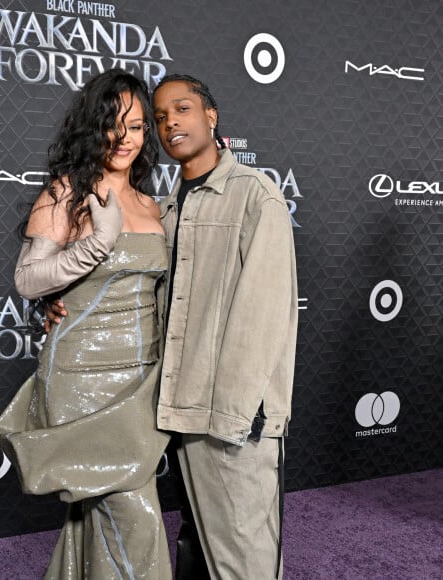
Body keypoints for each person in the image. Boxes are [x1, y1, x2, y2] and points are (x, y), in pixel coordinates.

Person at [0, 68, 172, 580]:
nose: (125, 138)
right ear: (93, 127)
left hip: (141, 382)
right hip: (81, 378)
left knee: (97, 518)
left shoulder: (151, 204)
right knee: (133, 517)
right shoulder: (67, 192)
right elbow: (29, 281)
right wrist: (94, 245)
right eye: (113, 124)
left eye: (137, 127)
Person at [151, 74, 298, 580]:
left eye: (183, 108)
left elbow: (264, 316)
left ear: (211, 116)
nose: (171, 121)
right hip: (178, 409)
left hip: (233, 419)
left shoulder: (256, 197)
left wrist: (234, 417)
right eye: (160, 116)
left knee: (245, 560)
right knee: (195, 542)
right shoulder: (166, 210)